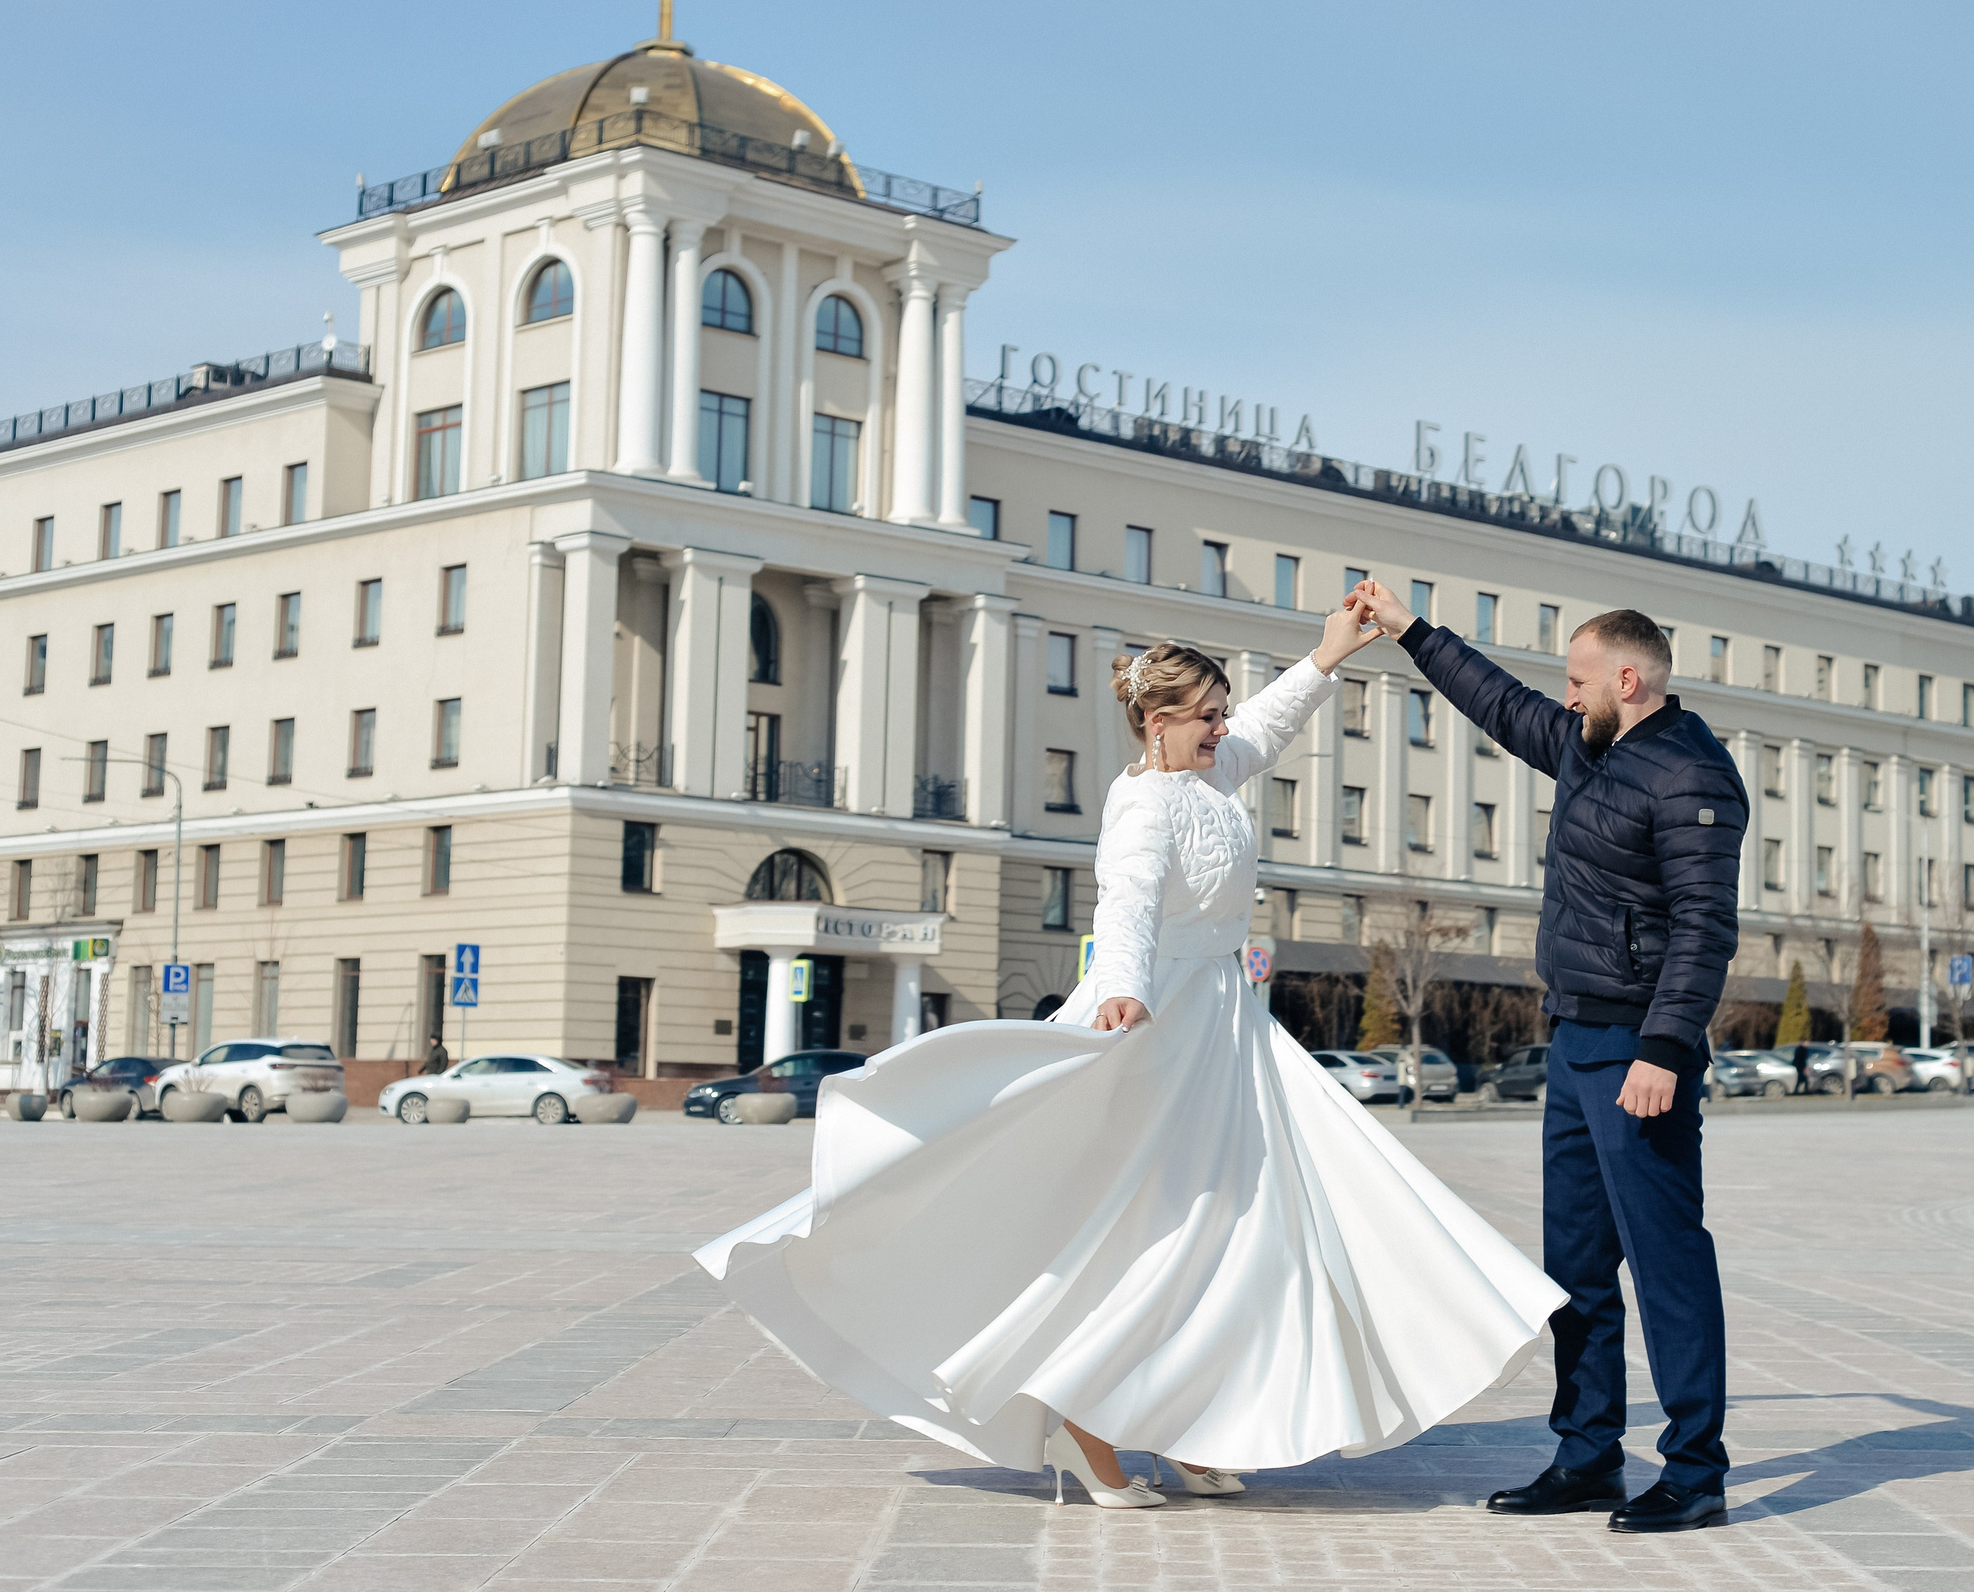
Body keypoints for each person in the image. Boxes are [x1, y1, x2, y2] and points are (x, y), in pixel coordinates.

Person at [696, 605, 1563, 1510]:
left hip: (1225, 1021)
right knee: (1152, 1227)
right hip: (1159, 1020)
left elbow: (1267, 728)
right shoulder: (1143, 798)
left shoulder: (1214, 771)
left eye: (1222, 713)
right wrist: (1121, 984)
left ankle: (1186, 1423)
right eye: (1206, 715)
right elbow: (1127, 900)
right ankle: (1092, 1428)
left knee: (1243, 1229)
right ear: (1160, 721)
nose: (1223, 728)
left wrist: (1329, 653)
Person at [1344, 583, 1744, 1534]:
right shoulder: (1587, 745)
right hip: (1572, 1040)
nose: (1564, 693)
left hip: (1638, 1051)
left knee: (1667, 1258)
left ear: (1629, 677)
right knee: (1576, 1264)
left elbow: (1705, 928)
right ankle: (1587, 1452)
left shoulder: (1692, 774)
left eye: (1579, 677)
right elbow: (1497, 701)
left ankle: (1696, 1471)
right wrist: (1409, 631)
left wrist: (1663, 1047)